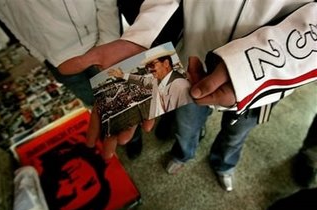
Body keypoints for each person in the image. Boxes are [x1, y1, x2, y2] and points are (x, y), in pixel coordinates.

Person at [58, 0, 316, 190]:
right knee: (186, 123)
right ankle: (183, 153)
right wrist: (146, 39)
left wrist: (251, 66)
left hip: (268, 77)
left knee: (237, 134)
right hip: (188, 61)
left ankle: (224, 164)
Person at [0, 0, 144, 160]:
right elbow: (8, 17)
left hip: (97, 38)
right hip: (56, 59)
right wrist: (41, 55)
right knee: (93, 100)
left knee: (123, 99)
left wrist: (108, 42)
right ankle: (111, 125)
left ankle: (134, 136)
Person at [108, 44, 193, 118]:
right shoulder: (157, 81)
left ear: (166, 63)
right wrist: (122, 75)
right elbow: (142, 80)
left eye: (152, 65)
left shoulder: (180, 86)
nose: (149, 69)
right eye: (147, 66)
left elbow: (187, 115)